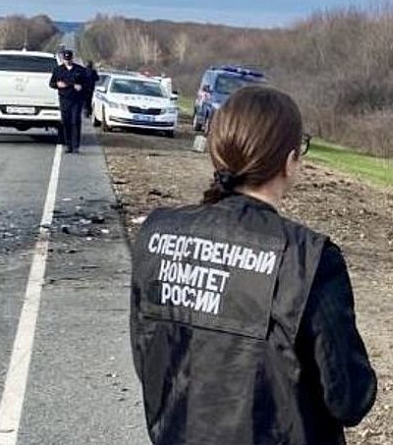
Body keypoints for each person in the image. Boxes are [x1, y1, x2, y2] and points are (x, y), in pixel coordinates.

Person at [129, 86, 376, 445]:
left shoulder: (157, 232)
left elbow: (147, 357)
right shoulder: (307, 258)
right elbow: (348, 398)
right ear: (290, 161)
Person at [49, 49, 85, 153]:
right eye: (66, 59)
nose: (67, 61)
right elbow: (51, 83)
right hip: (64, 99)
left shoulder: (80, 70)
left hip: (76, 100)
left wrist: (81, 87)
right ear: (63, 59)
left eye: (69, 59)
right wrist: (57, 85)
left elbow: (87, 84)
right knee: (66, 122)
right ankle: (68, 145)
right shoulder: (58, 70)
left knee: (75, 121)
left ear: (72, 58)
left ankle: (76, 146)